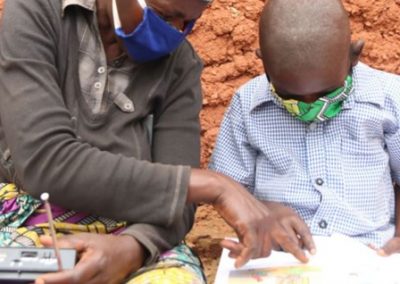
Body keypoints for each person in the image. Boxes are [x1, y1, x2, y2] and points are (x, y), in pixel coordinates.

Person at [0, 0, 310, 283]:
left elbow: (178, 205)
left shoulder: (180, 66)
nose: (173, 32)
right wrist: (215, 186)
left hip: (131, 231)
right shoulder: (37, 11)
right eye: (163, 16)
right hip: (27, 224)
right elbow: (45, 161)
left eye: (187, 22)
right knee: (20, 271)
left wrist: (132, 248)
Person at [210, 0, 400, 258]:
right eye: (289, 95)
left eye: (326, 93)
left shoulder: (389, 97)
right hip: (280, 255)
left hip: (371, 253)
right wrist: (263, 211)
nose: (309, 105)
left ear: (353, 56)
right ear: (263, 62)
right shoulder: (248, 104)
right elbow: (227, 189)